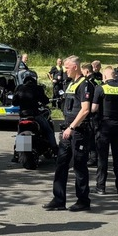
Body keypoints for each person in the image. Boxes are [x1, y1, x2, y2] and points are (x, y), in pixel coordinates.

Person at [44, 56, 95, 212]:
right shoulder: (71, 84)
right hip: (67, 130)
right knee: (61, 165)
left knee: (79, 167)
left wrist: (72, 127)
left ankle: (83, 200)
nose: (64, 71)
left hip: (78, 131)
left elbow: (85, 109)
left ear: (75, 67)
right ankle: (59, 199)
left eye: (67, 67)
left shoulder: (85, 85)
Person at [93, 66, 118, 194]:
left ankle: (101, 187)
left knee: (102, 158)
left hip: (104, 126)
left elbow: (94, 108)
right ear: (115, 76)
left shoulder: (100, 88)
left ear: (104, 76)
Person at [13, 73, 56, 158]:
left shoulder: (19, 88)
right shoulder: (38, 88)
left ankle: (16, 154)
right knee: (49, 131)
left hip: (23, 116)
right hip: (35, 115)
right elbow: (45, 100)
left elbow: (14, 103)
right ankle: (55, 150)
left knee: (19, 133)